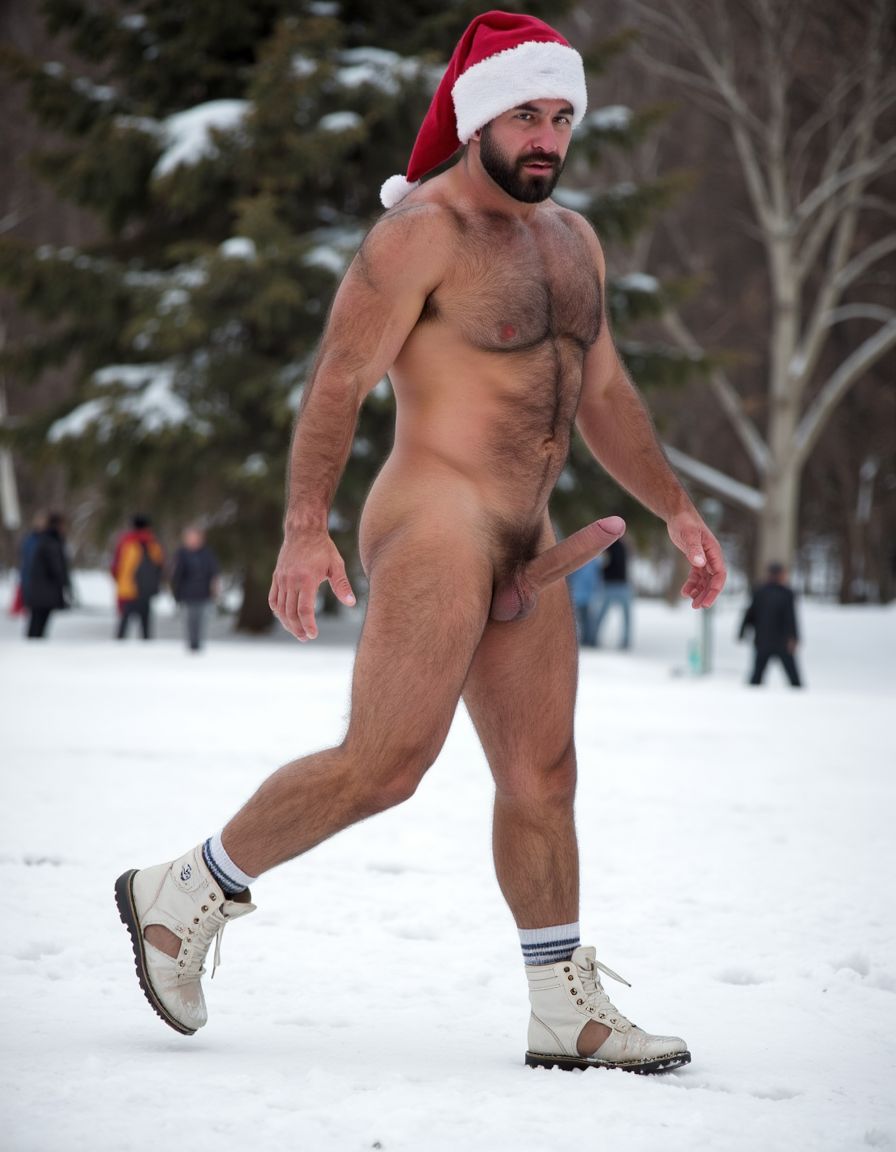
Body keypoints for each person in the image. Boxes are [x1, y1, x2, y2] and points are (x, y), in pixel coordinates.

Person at [115, 11, 726, 1076]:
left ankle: (560, 1010)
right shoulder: (421, 235)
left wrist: (675, 507)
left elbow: (606, 392)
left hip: (527, 531)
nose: (547, 137)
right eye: (526, 115)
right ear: (479, 117)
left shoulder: (572, 240)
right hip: (433, 515)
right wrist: (303, 528)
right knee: (386, 764)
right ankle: (187, 890)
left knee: (543, 775)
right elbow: (339, 381)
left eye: (562, 117)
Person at [739, 562, 802, 687]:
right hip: (781, 641)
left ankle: (751, 696)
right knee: (793, 679)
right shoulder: (785, 593)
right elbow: (791, 618)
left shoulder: (761, 591)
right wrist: (794, 638)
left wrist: (742, 631)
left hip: (764, 640)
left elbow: (749, 615)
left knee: (757, 676)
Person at [111, 515, 165, 640]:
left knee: (125, 619)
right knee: (145, 620)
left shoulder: (125, 542)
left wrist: (119, 581)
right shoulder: (153, 544)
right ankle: (146, 643)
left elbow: (116, 566)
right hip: (146, 589)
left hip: (128, 588)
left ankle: (119, 644)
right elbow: (160, 565)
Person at [170, 526, 220, 651]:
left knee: (201, 620)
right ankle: (191, 644)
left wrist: (214, 588)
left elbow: (214, 572)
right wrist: (176, 593)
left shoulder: (206, 554)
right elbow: (176, 575)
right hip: (187, 594)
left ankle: (198, 644)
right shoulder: (181, 554)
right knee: (189, 620)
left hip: (203, 593)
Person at [24, 512, 71, 638]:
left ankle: (33, 647)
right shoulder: (51, 542)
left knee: (37, 622)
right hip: (45, 590)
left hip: (39, 590)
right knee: (38, 623)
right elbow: (56, 568)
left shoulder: (44, 540)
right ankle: (33, 649)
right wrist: (65, 583)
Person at [593, 537, 633, 649]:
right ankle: (625, 641)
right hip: (620, 585)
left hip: (613, 585)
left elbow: (602, 565)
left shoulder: (608, 547)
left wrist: (602, 572)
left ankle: (593, 639)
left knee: (602, 614)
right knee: (626, 617)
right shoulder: (621, 546)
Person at [11, 511, 47, 616]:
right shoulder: (30, 539)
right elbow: (26, 557)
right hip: (30, 576)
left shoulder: (46, 539)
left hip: (42, 580)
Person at [567, 556, 603, 647]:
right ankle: (589, 640)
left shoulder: (578, 560)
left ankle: (588, 640)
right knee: (586, 619)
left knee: (584, 619)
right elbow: (596, 578)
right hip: (583, 595)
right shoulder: (593, 561)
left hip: (581, 594)